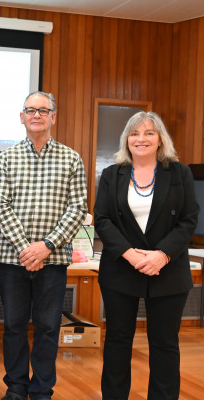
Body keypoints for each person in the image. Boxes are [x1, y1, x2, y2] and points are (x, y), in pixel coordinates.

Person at [94, 111, 199, 400]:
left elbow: (189, 219)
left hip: (168, 270)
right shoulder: (111, 174)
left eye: (149, 133)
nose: (141, 139)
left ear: (160, 139)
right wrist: (129, 254)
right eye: (135, 133)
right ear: (126, 139)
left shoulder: (180, 173)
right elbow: (102, 219)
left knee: (164, 344)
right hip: (121, 268)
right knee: (117, 341)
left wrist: (162, 255)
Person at [0, 91, 87, 400]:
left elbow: (78, 209)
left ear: (53, 117)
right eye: (30, 110)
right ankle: (16, 388)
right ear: (21, 117)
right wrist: (26, 249)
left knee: (48, 327)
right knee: (14, 326)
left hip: (53, 260)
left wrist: (46, 246)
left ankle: (42, 389)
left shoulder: (71, 158)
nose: (36, 115)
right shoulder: (7, 157)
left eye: (43, 111)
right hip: (13, 259)